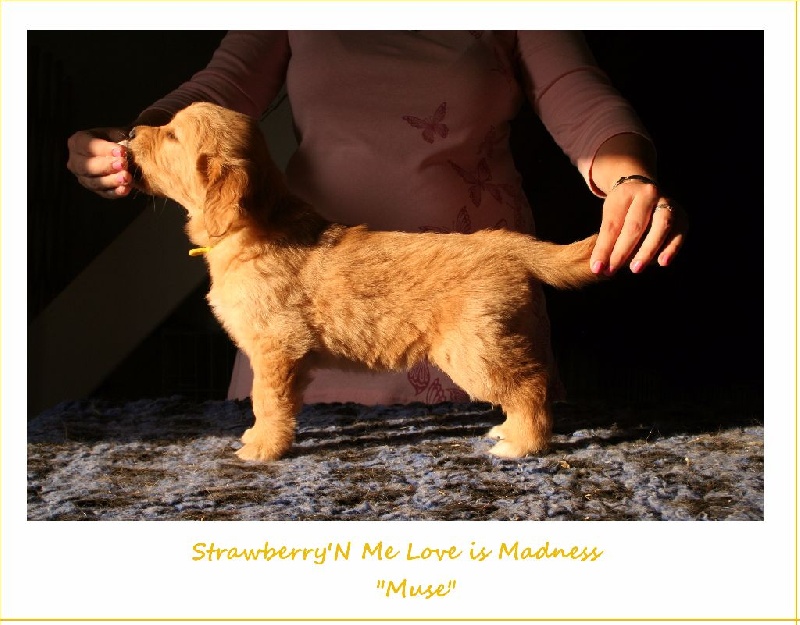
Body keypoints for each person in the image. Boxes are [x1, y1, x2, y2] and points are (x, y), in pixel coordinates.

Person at [66, 31, 686, 405]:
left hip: (464, 294)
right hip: (299, 290)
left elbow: (577, 93)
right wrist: (133, 147)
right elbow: (221, 87)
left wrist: (628, 178)